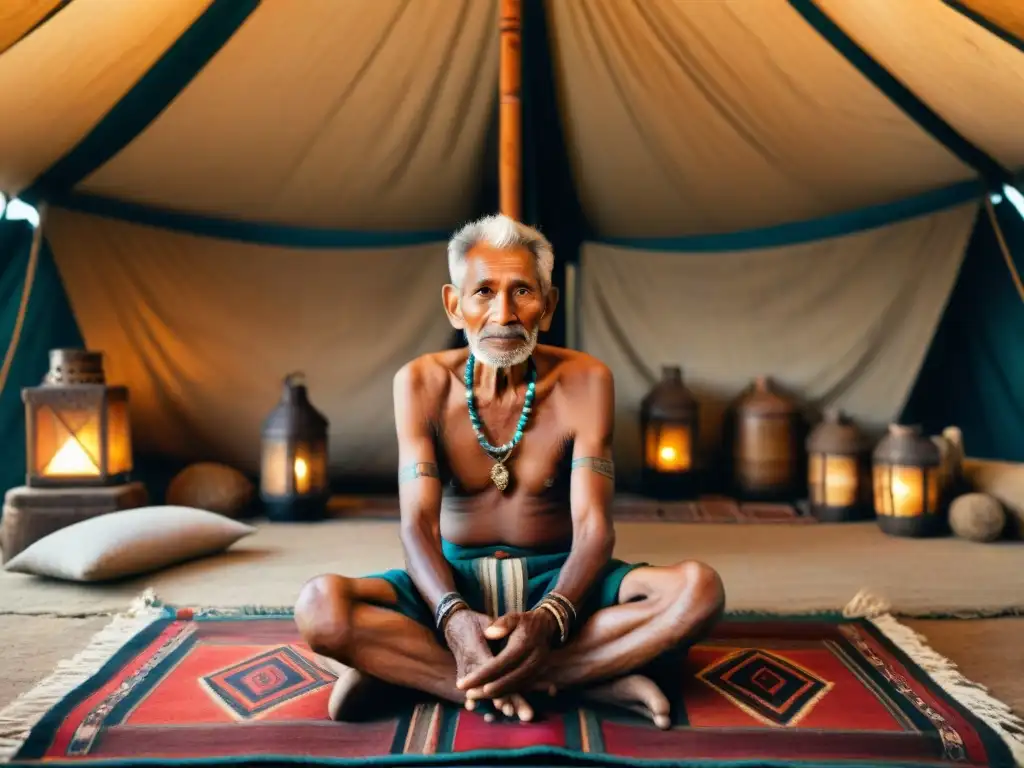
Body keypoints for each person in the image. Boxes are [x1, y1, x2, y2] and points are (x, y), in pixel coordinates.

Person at [294, 214, 725, 729]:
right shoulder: (421, 383)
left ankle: (421, 675)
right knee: (320, 607)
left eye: (522, 291)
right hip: (450, 584)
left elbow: (593, 528)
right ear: (455, 306)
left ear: (548, 304)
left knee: (699, 590)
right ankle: (579, 680)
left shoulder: (586, 381)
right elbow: (419, 527)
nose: (504, 313)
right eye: (483, 292)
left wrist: (551, 618)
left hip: (561, 583)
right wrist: (452, 619)